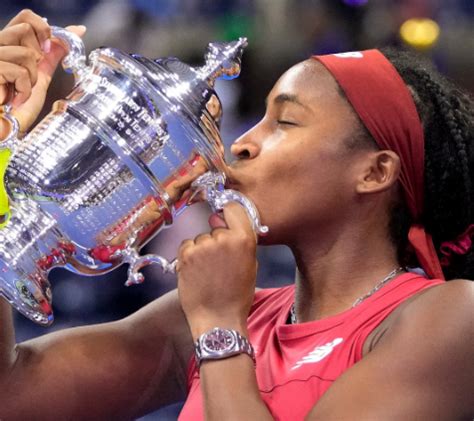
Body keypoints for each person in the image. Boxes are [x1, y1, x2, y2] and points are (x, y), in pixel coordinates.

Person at [0, 9, 473, 420]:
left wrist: (219, 326)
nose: (243, 142)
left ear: (375, 172)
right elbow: (11, 395)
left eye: (285, 122)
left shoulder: (453, 315)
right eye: (260, 118)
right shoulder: (206, 316)